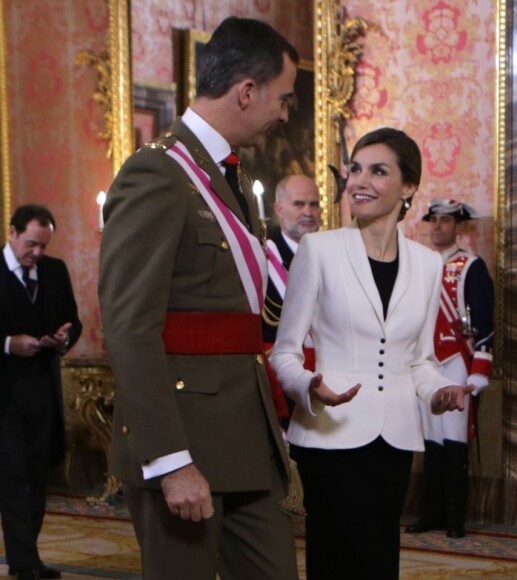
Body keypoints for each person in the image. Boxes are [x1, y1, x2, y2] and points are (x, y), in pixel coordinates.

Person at [98, 17, 300, 580]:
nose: (285, 114)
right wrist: (170, 461)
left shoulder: (228, 174)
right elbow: (130, 326)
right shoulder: (156, 174)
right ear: (246, 91)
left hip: (244, 436)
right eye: (282, 99)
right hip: (184, 441)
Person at [270, 127, 475, 580]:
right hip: (330, 434)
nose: (359, 181)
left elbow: (418, 361)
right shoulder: (318, 250)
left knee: (380, 559)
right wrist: (308, 385)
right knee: (338, 558)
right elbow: (283, 353)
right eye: (355, 170)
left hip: (396, 439)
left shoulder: (427, 263)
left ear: (407, 187)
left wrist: (439, 391)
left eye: (377, 171)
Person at [0, 204, 82, 580]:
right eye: (31, 244)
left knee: (36, 474)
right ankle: (24, 562)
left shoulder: (55, 270)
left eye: (44, 246)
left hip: (43, 389)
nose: (38, 253)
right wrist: (7, 344)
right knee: (13, 474)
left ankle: (27, 556)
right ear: (13, 233)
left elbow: (73, 320)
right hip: (4, 394)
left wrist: (63, 338)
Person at [406, 199, 494, 538]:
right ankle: (431, 513)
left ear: (458, 226)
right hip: (424, 362)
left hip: (456, 360)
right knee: (431, 442)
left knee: (454, 440)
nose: (439, 226)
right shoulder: (419, 264)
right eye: (434, 220)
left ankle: (456, 519)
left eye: (446, 220)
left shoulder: (471, 266)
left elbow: (484, 321)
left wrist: (479, 372)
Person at [263, 175, 322, 422]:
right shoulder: (262, 255)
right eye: (299, 204)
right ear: (279, 208)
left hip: (324, 372)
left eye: (314, 204)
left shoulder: (331, 252)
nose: (308, 212)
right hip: (277, 381)